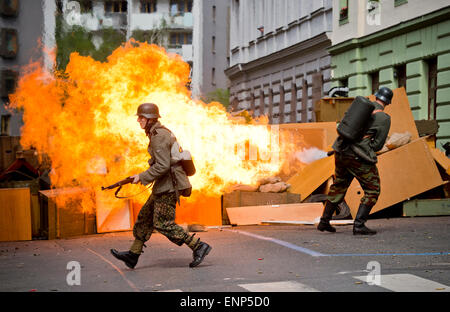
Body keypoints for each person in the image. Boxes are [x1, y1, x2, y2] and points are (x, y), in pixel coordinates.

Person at [111, 103, 212, 268]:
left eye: (141, 117)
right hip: (163, 185)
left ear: (149, 119)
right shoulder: (155, 133)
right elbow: (161, 164)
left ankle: (198, 246)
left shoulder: (159, 135)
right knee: (145, 218)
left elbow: (163, 166)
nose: (138, 120)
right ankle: (133, 255)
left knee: (163, 223)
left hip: (169, 187)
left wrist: (142, 177)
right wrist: (139, 176)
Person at [317, 87, 393, 235]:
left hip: (340, 152)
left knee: (339, 186)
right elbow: (377, 145)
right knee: (373, 190)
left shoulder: (359, 108)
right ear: (388, 102)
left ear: (375, 96)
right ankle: (359, 225)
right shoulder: (384, 118)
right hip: (359, 157)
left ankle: (324, 222)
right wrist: (365, 146)